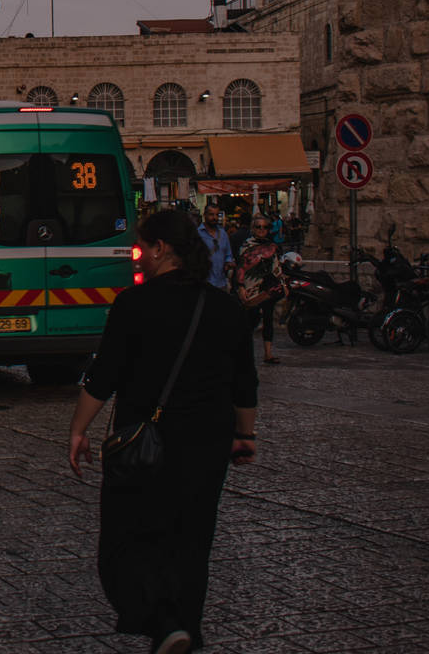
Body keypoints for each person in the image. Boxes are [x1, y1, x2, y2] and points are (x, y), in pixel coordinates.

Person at [67, 209, 259, 654]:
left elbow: (104, 376)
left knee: (128, 537)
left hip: (145, 447)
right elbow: (244, 382)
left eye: (142, 247)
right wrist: (245, 436)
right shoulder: (226, 308)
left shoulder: (133, 305)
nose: (138, 256)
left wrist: (79, 430)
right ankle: (184, 627)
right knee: (192, 540)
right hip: (206, 444)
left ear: (160, 249)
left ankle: (161, 620)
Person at [234, 216, 283, 365]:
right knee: (250, 321)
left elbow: (276, 267)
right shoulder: (245, 246)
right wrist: (240, 286)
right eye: (258, 227)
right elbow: (241, 268)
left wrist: (280, 282)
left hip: (268, 287)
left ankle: (268, 353)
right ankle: (245, 352)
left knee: (268, 319)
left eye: (265, 227)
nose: (262, 230)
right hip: (251, 287)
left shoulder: (272, 247)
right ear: (253, 229)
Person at [195, 203, 233, 291]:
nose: (214, 217)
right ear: (205, 215)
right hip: (204, 283)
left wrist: (228, 263)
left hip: (221, 283)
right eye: (211, 214)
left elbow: (228, 255)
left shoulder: (223, 234)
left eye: (217, 214)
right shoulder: (197, 234)